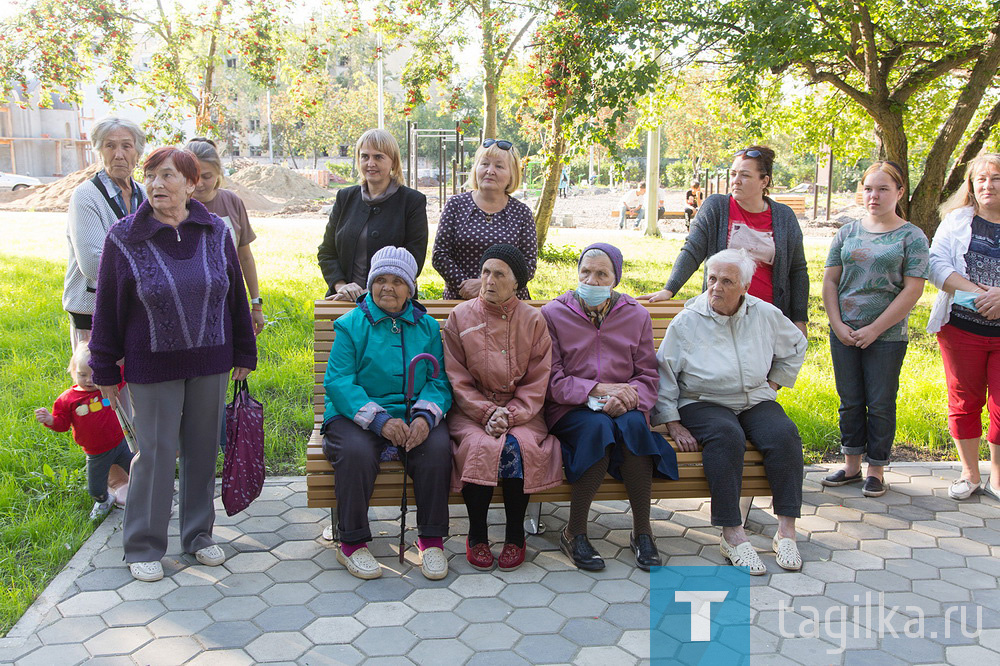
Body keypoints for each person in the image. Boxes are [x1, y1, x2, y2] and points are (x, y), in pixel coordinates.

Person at [89, 146, 257, 582]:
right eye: (151, 176)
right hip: (152, 365)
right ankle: (143, 544)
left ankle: (199, 536)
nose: (157, 185)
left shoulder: (216, 231)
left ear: (191, 182)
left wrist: (243, 351)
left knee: (202, 451)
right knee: (156, 455)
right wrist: (104, 369)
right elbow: (107, 308)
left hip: (212, 359)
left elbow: (234, 296)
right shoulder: (124, 236)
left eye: (167, 176)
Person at [653, 249, 807, 574]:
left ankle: (786, 531)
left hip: (753, 398)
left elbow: (796, 344)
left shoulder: (763, 313)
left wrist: (775, 383)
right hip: (701, 400)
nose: (716, 287)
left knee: (784, 434)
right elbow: (664, 372)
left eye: (726, 281)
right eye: (711, 279)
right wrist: (672, 422)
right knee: (726, 436)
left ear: (745, 287)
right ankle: (732, 534)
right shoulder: (688, 320)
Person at [542, 244, 678, 571]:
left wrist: (629, 395)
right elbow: (551, 378)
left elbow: (647, 374)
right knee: (598, 427)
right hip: (570, 408)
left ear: (615, 278)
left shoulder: (636, 315)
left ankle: (643, 532)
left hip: (625, 405)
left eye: (602, 273)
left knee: (633, 427)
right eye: (586, 272)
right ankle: (574, 532)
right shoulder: (553, 314)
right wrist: (596, 389)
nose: (592, 279)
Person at [321, 247, 453, 580]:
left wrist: (424, 418)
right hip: (355, 414)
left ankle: (431, 539)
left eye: (397, 281)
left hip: (412, 412)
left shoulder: (426, 327)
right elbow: (338, 382)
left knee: (436, 448)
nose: (388, 288)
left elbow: (438, 381)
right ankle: (351, 544)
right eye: (380, 279)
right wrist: (379, 420)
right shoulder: (351, 325)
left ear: (411, 288)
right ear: (369, 284)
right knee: (355, 452)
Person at [443, 244, 561, 572]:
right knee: (480, 445)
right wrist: (485, 413)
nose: (489, 280)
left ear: (516, 283)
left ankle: (515, 535)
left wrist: (510, 414)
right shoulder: (461, 316)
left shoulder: (533, 320)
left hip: (522, 412)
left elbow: (539, 379)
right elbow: (456, 377)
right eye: (485, 272)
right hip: (470, 411)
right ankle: (477, 534)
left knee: (517, 446)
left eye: (499, 274)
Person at [821, 162, 929, 497]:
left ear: (899, 193)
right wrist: (837, 324)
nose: (874, 195)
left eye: (883, 189)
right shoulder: (847, 233)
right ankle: (851, 465)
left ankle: (876, 469)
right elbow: (830, 280)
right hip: (844, 333)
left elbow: (913, 289)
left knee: (881, 402)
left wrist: (874, 329)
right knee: (850, 400)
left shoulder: (911, 236)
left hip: (887, 337)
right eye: (869, 188)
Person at [641, 146, 809, 338]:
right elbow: (693, 250)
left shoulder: (784, 217)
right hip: (721, 315)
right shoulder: (717, 207)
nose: (736, 181)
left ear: (764, 181)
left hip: (768, 317)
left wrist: (799, 318)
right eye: (734, 173)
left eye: (745, 175)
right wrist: (669, 289)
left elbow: (798, 270)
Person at [927, 153, 1000, 502]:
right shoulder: (957, 220)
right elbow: (936, 264)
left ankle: (997, 477)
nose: (988, 185)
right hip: (961, 330)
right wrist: (981, 293)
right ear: (970, 185)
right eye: (981, 179)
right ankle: (970, 473)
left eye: (996, 178)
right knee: (964, 401)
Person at [64, 117, 147, 350]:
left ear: (137, 153)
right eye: (110, 146)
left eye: (126, 146)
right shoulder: (86, 196)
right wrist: (149, 268)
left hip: (135, 307)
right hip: (92, 308)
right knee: (96, 381)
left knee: (131, 382)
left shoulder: (146, 195)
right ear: (99, 151)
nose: (118, 154)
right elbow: (92, 263)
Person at [319, 129, 428, 301]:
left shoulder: (412, 201)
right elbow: (327, 251)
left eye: (378, 157)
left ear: (393, 162)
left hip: (392, 303)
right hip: (345, 300)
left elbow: (414, 258)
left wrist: (374, 292)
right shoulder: (345, 197)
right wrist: (341, 286)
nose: (370, 163)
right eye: (365, 156)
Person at [35, 345, 133, 520]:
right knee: (95, 488)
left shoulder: (109, 386)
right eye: (82, 374)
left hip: (120, 443)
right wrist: (50, 420)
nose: (89, 380)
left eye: (94, 374)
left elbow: (126, 371)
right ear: (73, 372)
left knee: (138, 470)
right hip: (96, 454)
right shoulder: (67, 400)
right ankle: (103, 500)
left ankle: (149, 495)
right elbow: (62, 424)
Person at [432, 140, 537, 300]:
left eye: (499, 166)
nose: (490, 171)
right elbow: (440, 255)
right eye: (484, 164)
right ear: (476, 169)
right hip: (462, 300)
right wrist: (466, 285)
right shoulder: (455, 205)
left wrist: (485, 285)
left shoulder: (522, 213)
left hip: (508, 304)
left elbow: (528, 264)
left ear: (512, 174)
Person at [185, 138, 265, 335]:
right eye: (194, 176)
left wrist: (256, 304)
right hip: (189, 303)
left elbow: (245, 256)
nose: (200, 184)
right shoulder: (175, 206)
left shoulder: (232, 201)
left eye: (207, 176)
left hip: (230, 301)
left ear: (219, 173)